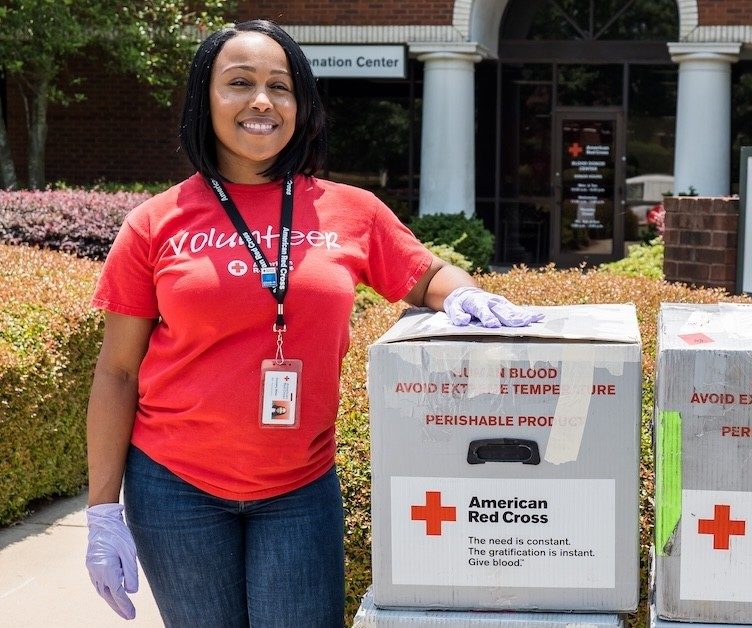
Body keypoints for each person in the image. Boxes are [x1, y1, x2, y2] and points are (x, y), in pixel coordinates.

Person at [83, 19, 542, 627]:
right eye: (239, 83)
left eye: (281, 86)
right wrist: (100, 511)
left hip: (298, 488)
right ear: (205, 100)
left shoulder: (350, 211)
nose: (261, 101)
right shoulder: (154, 222)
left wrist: (466, 295)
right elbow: (118, 372)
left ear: (301, 105)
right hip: (174, 488)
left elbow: (427, 274)